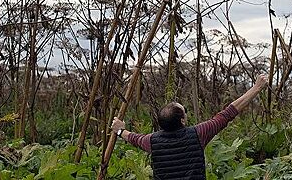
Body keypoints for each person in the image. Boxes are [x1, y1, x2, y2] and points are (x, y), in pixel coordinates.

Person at [111, 73, 268, 179]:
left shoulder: (151, 141)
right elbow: (228, 113)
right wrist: (256, 88)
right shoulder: (199, 134)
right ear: (182, 121)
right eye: (184, 112)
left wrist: (119, 130)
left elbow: (132, 138)